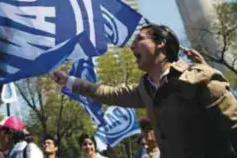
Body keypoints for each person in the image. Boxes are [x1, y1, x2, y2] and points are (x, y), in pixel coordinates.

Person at [52, 24, 237, 158]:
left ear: (161, 43)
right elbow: (106, 93)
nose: (132, 46)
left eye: (140, 39)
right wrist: (69, 81)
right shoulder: (145, 89)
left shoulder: (201, 77)